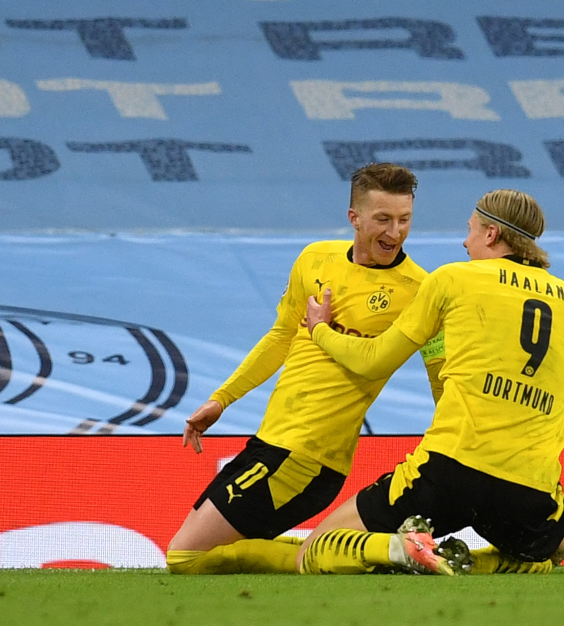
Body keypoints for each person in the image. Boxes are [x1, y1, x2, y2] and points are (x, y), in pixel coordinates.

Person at [297, 189, 564, 576]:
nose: (465, 241)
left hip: (448, 473)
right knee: (556, 547)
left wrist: (321, 330)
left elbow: (373, 361)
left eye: (471, 230)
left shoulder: (453, 278)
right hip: (527, 488)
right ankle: (472, 566)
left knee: (314, 550)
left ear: (492, 234)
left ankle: (402, 549)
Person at [166, 163, 445, 574]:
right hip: (272, 442)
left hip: (308, 456)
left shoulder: (420, 290)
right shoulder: (315, 259)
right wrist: (221, 399)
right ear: (354, 218)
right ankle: (360, 551)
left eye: (405, 220)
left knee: (186, 557)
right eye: (383, 219)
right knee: (209, 558)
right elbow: (280, 337)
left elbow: (441, 376)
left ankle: (388, 550)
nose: (395, 232)